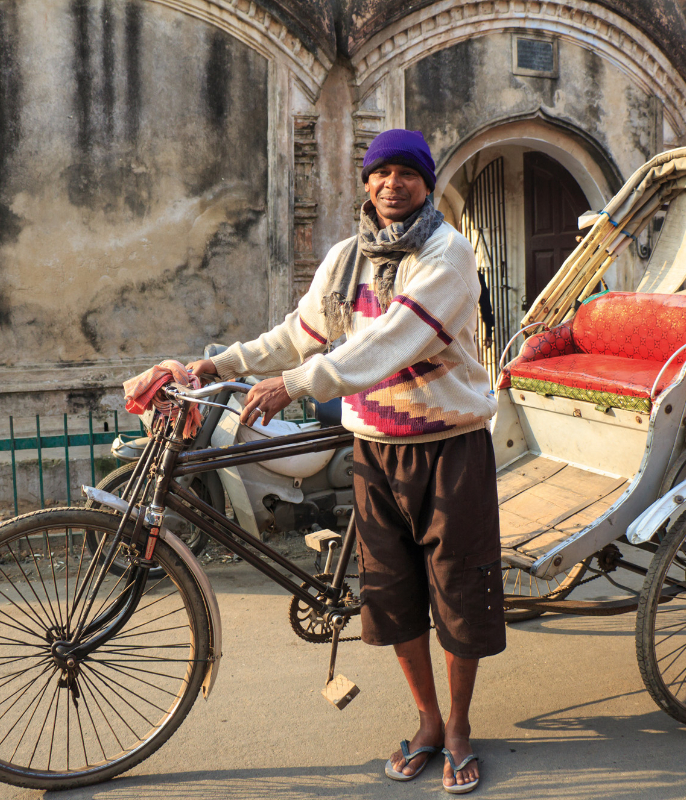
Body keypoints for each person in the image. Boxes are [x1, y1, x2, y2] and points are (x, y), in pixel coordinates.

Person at [188, 128, 502, 794]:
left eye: (407, 173)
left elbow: (389, 342)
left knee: (459, 596)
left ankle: (460, 729)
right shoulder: (344, 259)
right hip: (375, 450)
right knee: (391, 596)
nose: (393, 184)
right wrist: (221, 362)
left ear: (426, 183)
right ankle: (425, 721)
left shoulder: (447, 255)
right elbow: (298, 333)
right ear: (366, 184)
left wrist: (296, 384)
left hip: (449, 449)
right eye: (380, 172)